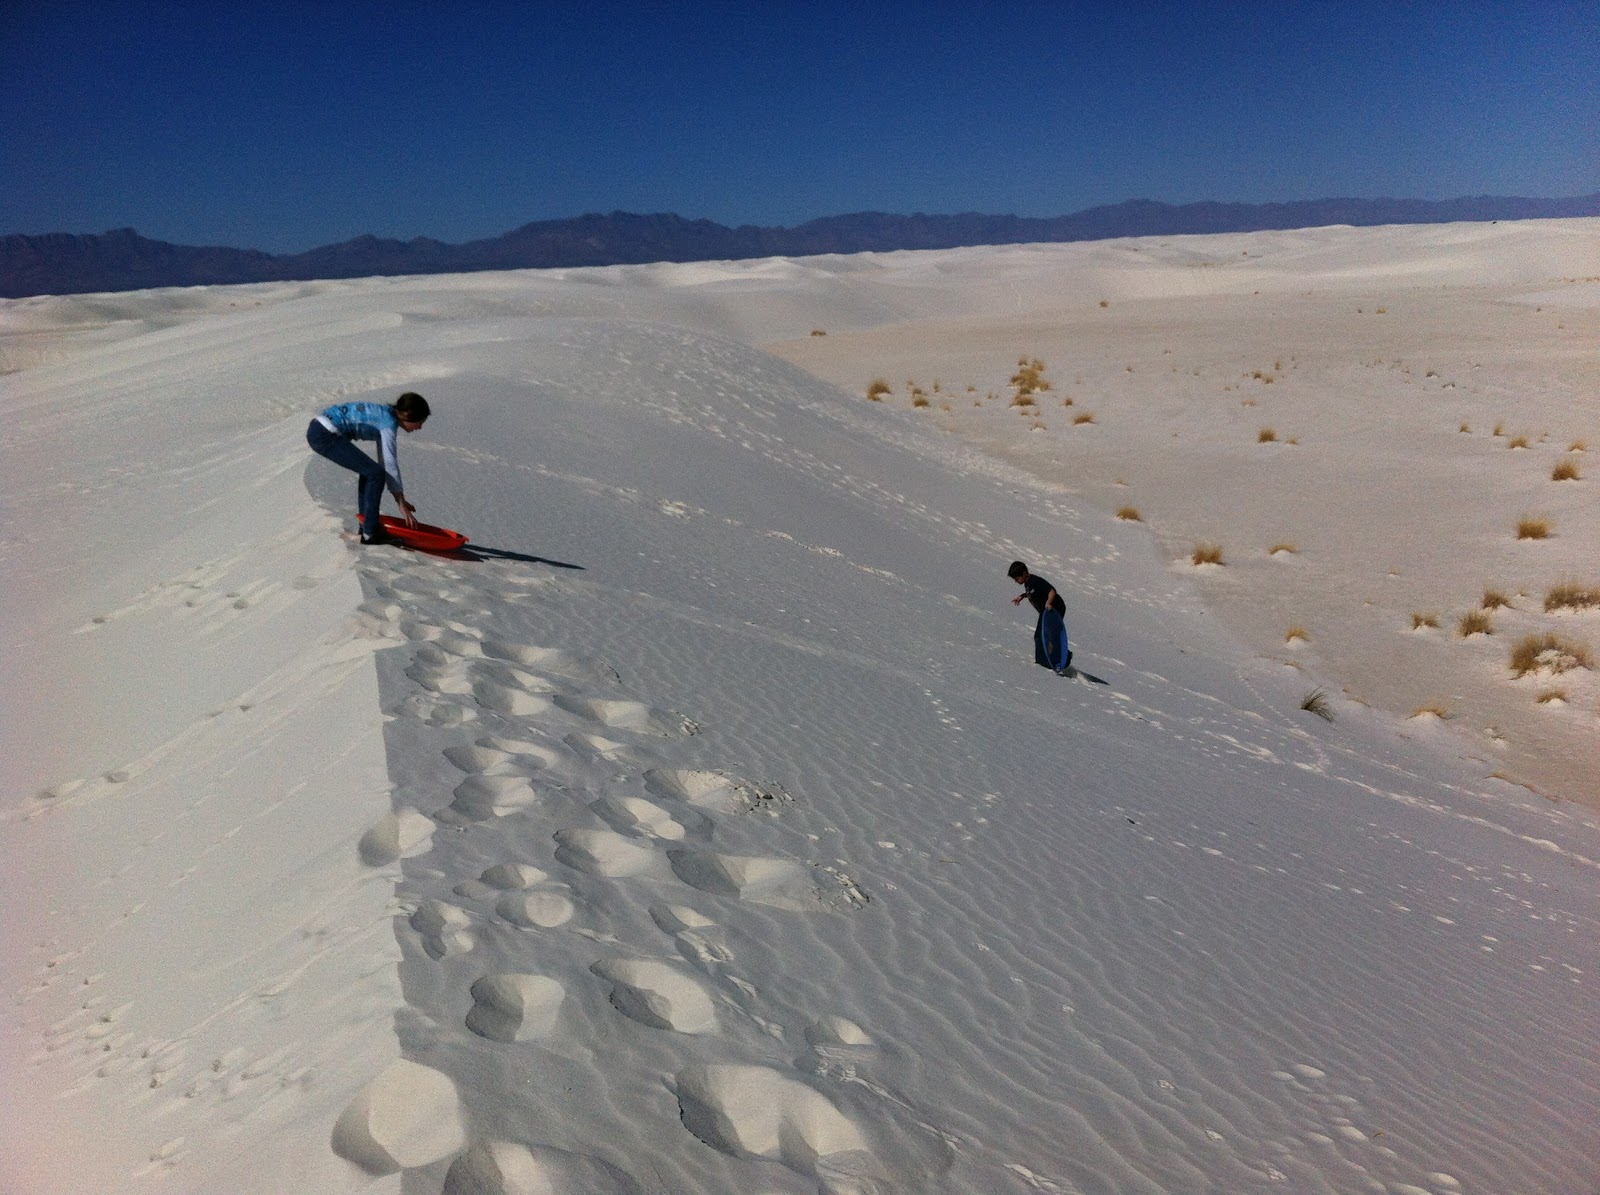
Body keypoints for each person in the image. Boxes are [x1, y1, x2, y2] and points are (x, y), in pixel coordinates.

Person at [306, 393, 430, 544]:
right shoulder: (388, 423)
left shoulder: (384, 416)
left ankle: (365, 526)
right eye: (420, 421)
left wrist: (399, 498)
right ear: (407, 415)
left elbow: (384, 460)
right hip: (324, 433)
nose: (420, 427)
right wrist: (400, 501)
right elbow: (390, 464)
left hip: (320, 429)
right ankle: (370, 533)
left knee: (371, 472)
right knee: (375, 473)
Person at [1008, 560, 1072, 675]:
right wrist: (1022, 596)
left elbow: (1052, 591)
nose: (1016, 581)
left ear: (1024, 574)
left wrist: (1048, 602)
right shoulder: (1028, 583)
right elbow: (1033, 592)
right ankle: (1058, 658)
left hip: (1053, 609)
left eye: (1017, 579)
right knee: (1045, 635)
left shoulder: (1035, 581)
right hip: (1046, 611)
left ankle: (1043, 663)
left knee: (1041, 636)